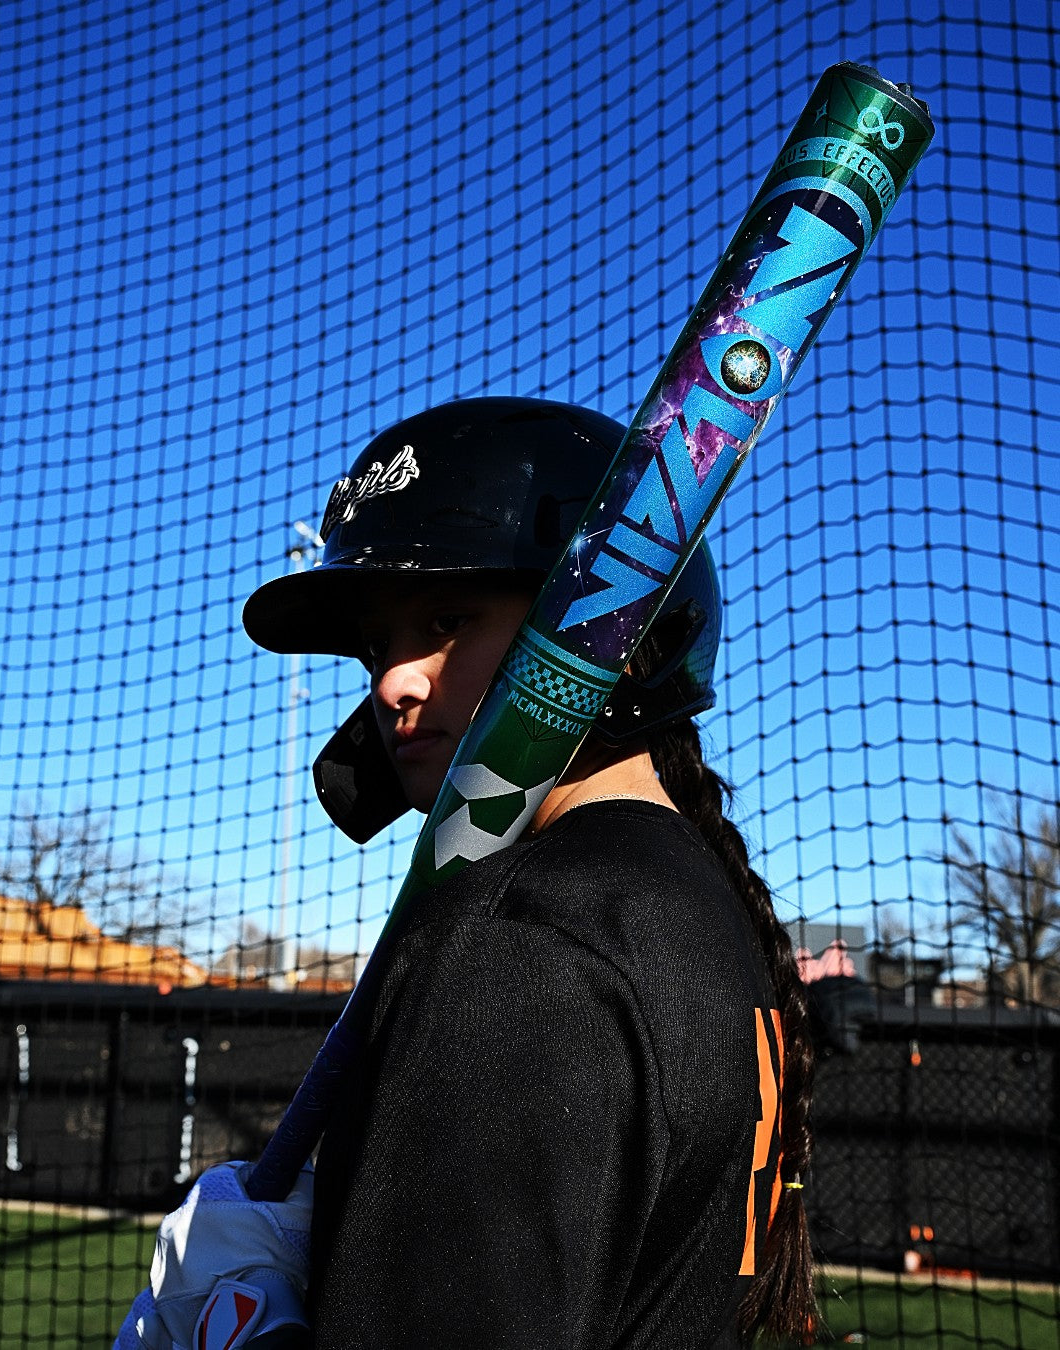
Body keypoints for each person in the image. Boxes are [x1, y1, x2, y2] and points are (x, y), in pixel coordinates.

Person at [239, 396, 818, 1349]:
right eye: (378, 646)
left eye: (449, 618)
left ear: (607, 625)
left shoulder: (520, 940)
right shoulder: (695, 906)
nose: (393, 682)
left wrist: (239, 1323)